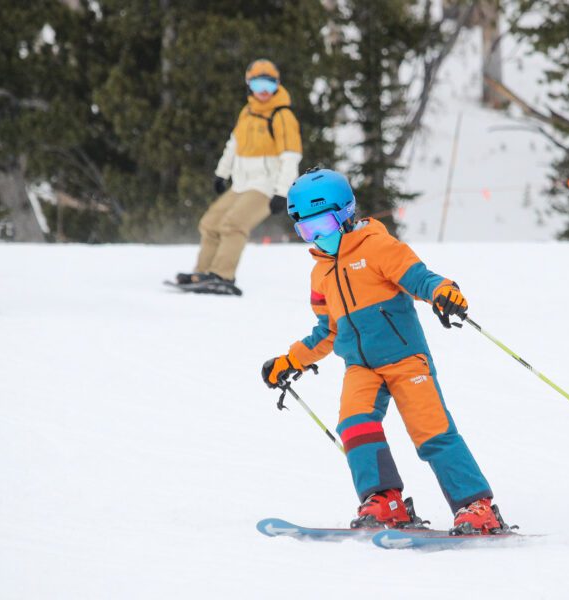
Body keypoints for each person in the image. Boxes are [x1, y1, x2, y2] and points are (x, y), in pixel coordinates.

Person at [260, 168, 504, 534]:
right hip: (361, 367)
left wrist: (442, 290)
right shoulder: (320, 274)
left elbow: (419, 276)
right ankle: (386, 501)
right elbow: (327, 331)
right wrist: (292, 360)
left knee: (432, 431)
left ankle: (476, 505)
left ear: (345, 215)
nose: (318, 237)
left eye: (323, 224)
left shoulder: (377, 246)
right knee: (354, 424)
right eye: (307, 230)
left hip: (406, 359)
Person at [174, 59, 302, 296]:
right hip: (241, 183)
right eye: (257, 84)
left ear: (277, 85)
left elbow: (291, 157)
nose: (263, 91)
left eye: (269, 84)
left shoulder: (283, 116)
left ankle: (223, 275)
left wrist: (282, 192)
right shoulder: (248, 111)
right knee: (210, 223)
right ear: (249, 85)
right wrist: (221, 173)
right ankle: (203, 272)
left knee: (233, 224)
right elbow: (233, 145)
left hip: (265, 186)